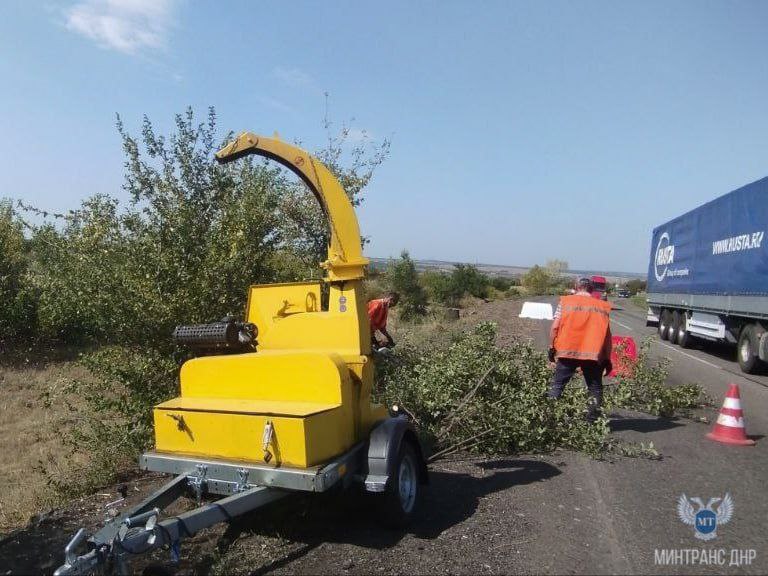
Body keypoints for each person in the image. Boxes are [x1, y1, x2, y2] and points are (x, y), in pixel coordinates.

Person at [547, 277, 612, 422]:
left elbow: (555, 327)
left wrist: (552, 347)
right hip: (593, 354)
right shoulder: (602, 306)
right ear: (592, 289)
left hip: (567, 351)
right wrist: (607, 357)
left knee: (557, 385)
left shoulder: (565, 302)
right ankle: (591, 421)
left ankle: (548, 418)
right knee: (595, 388)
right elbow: (607, 335)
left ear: (575, 287)